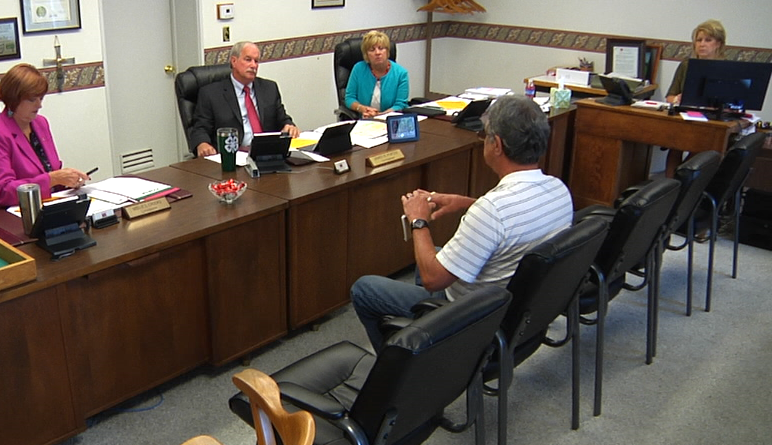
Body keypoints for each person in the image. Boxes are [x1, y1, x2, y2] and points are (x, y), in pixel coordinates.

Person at [350, 95, 573, 351]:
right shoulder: (559, 190)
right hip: (514, 308)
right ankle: (422, 343)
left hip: (470, 316)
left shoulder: (491, 211)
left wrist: (418, 221)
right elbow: (515, 215)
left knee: (364, 288)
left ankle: (400, 377)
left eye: (485, 135)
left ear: (497, 144)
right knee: (433, 256)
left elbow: (434, 279)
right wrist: (467, 202)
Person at [0, 64, 89, 212]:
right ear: (13, 99)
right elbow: (3, 192)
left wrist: (69, 180)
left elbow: (51, 168)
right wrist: (53, 179)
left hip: (43, 207)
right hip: (5, 216)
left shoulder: (41, 123)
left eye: (41, 98)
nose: (39, 105)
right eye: (32, 99)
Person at [189, 41, 300, 157]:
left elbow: (283, 119)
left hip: (267, 154)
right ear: (234, 61)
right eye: (248, 60)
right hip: (232, 157)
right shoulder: (211, 93)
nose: (253, 65)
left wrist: (289, 126)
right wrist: (202, 143)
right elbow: (200, 128)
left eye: (256, 61)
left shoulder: (269, 88)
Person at [663, 19, 727, 177]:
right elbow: (670, 97)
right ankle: (668, 187)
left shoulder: (726, 68)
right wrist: (677, 98)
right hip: (686, 117)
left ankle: (685, 184)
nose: (702, 44)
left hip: (710, 121)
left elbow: (730, 103)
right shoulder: (686, 65)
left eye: (708, 40)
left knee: (699, 149)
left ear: (718, 44)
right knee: (675, 146)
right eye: (699, 40)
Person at [344, 30, 410, 118]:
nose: (377, 53)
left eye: (381, 48)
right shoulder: (358, 69)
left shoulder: (401, 74)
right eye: (372, 50)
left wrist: (381, 115)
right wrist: (362, 108)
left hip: (390, 120)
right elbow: (349, 98)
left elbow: (400, 104)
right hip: (364, 121)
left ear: (387, 52)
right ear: (366, 54)